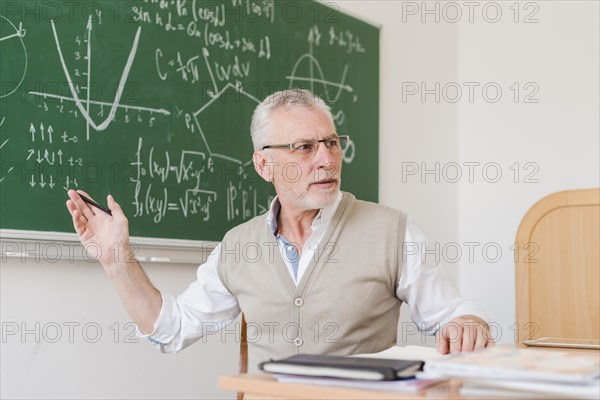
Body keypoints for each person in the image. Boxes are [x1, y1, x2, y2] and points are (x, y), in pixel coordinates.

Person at [66, 88, 492, 367]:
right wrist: (117, 260)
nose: (325, 159)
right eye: (304, 148)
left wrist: (467, 323)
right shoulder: (238, 246)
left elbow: (453, 316)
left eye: (331, 143)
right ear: (263, 163)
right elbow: (172, 329)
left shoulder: (393, 231)